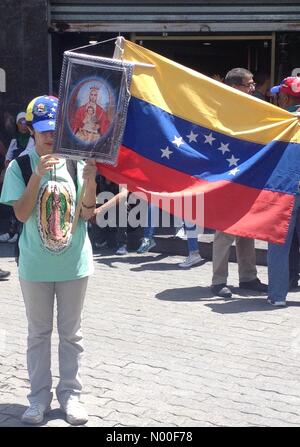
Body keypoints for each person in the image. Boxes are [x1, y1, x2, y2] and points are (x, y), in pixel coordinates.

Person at [0, 95, 97, 425]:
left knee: (72, 334)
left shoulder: (75, 161)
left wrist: (93, 179)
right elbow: (23, 213)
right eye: (43, 131)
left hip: (74, 264)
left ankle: (71, 396)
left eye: (55, 130)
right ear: (30, 130)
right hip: (35, 266)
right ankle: (38, 399)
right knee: (38, 334)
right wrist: (37, 176)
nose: (50, 137)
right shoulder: (21, 165)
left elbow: (86, 214)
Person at [211, 68, 267, 298]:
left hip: (249, 176)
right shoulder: (222, 109)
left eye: (253, 84)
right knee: (224, 231)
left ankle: (248, 277)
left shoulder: (254, 107)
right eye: (249, 84)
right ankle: (218, 281)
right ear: (235, 86)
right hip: (227, 177)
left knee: (247, 230)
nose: (253, 88)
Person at [267, 76, 300, 306]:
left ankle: (277, 296)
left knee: (278, 243)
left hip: (284, 189)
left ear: (286, 97)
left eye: (279, 95)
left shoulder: (278, 121)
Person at [0, 112, 35, 243]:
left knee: (23, 201)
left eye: (26, 122)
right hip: (16, 171)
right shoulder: (15, 139)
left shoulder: (32, 138)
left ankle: (18, 233)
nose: (23, 125)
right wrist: (8, 160)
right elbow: (8, 153)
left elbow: (28, 152)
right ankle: (11, 230)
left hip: (25, 170)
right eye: (21, 122)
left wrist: (16, 161)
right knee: (13, 203)